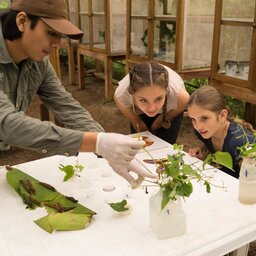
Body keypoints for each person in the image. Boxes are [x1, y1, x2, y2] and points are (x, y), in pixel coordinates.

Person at [0, 0, 157, 185]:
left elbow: (66, 106)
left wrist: (106, 146)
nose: (58, 43)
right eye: (51, 33)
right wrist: (96, 142)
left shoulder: (39, 63)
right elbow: (6, 124)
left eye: (60, 35)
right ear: (22, 21)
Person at [187, 85, 255, 178]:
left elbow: (250, 182)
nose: (198, 126)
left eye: (204, 118)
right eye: (193, 119)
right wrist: (204, 153)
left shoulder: (239, 142)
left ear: (222, 116)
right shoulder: (204, 132)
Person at [114, 62, 190, 144]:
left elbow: (183, 103)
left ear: (166, 91)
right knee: (140, 145)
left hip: (170, 109)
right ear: (132, 93)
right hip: (139, 111)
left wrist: (159, 122)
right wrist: (143, 130)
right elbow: (138, 123)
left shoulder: (179, 95)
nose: (152, 108)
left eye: (159, 98)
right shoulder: (121, 95)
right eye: (143, 100)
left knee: (166, 145)